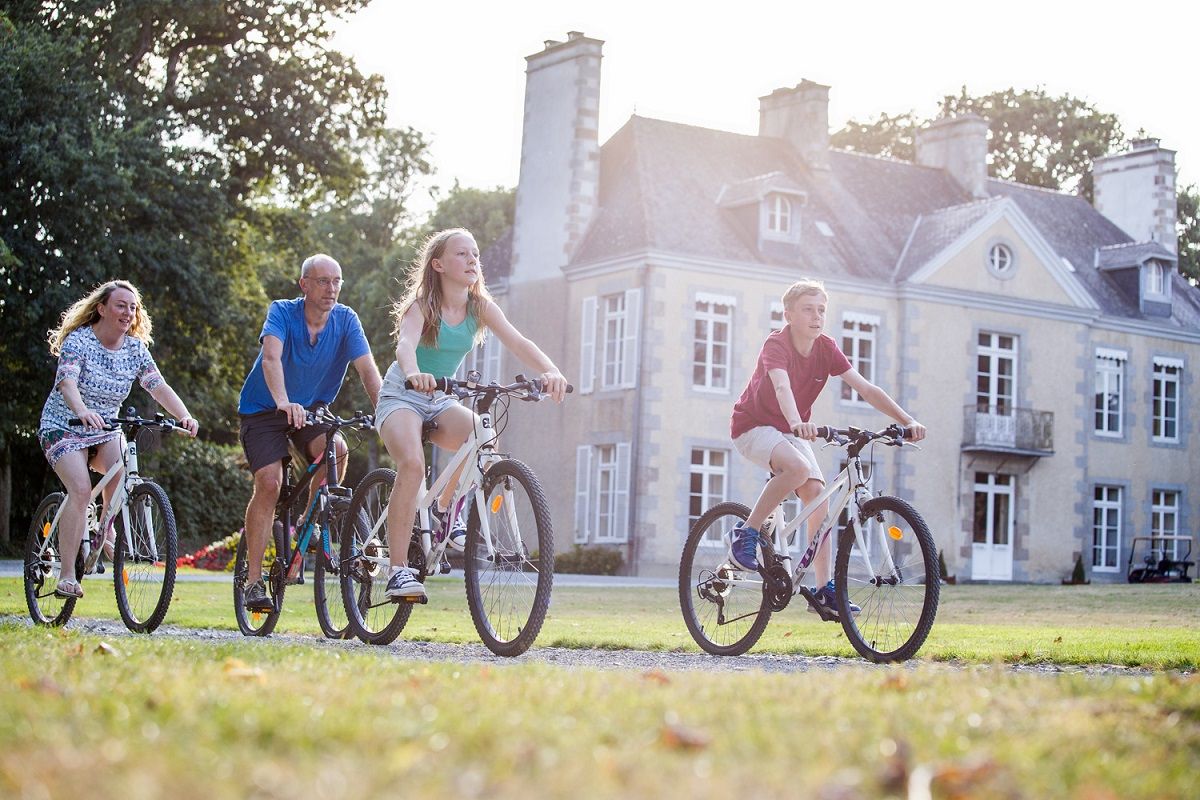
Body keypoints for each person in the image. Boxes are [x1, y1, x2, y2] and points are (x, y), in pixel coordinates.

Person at [375, 228, 567, 600]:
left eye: (475, 254)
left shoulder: (480, 307)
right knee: (413, 466)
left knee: (484, 437)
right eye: (462, 254)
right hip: (404, 394)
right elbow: (405, 344)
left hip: (442, 396)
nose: (473, 260)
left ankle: (444, 510)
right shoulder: (422, 306)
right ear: (439, 264)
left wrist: (550, 370)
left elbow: (517, 340)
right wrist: (414, 373)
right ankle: (398, 571)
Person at [727, 278, 926, 619]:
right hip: (753, 426)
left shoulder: (827, 348)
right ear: (789, 315)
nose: (816, 316)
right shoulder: (776, 344)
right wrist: (794, 421)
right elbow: (781, 385)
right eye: (808, 309)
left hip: (791, 432)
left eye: (821, 310)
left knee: (819, 496)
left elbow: (865, 387)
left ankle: (824, 590)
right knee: (799, 469)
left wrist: (908, 420)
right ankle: (745, 533)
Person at [37, 280, 199, 599]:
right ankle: (68, 576)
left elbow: (157, 385)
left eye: (133, 307)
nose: (128, 312)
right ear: (102, 308)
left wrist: (184, 414)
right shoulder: (79, 341)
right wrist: (83, 410)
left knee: (121, 475)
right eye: (121, 305)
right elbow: (67, 384)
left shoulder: (135, 348)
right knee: (81, 490)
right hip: (64, 424)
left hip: (106, 426)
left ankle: (105, 531)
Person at [237, 254, 382, 611]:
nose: (331, 288)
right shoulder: (283, 312)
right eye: (322, 281)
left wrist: (386, 412)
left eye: (336, 281)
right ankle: (253, 582)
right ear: (304, 285)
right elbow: (271, 358)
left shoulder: (347, 320)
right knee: (269, 484)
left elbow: (368, 371)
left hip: (312, 411)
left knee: (339, 449)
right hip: (264, 410)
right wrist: (284, 401)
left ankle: (308, 521)